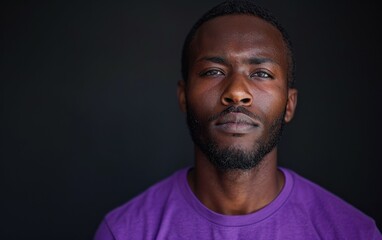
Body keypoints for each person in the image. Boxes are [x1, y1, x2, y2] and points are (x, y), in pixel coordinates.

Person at [93, 0, 381, 239]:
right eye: (213, 72)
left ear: (289, 104)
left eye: (261, 74)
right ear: (183, 96)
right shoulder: (124, 232)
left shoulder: (353, 232)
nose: (236, 93)